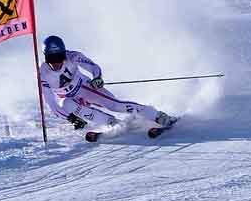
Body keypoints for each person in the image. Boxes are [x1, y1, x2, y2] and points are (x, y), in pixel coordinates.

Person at [39, 35, 175, 142]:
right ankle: (111, 122)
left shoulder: (73, 56)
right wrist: (70, 118)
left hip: (86, 88)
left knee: (115, 105)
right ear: (45, 57)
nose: (56, 62)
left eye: (59, 57)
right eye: (51, 58)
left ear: (64, 53)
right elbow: (51, 104)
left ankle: (158, 116)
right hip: (71, 99)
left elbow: (93, 67)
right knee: (65, 104)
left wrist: (97, 78)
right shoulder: (43, 73)